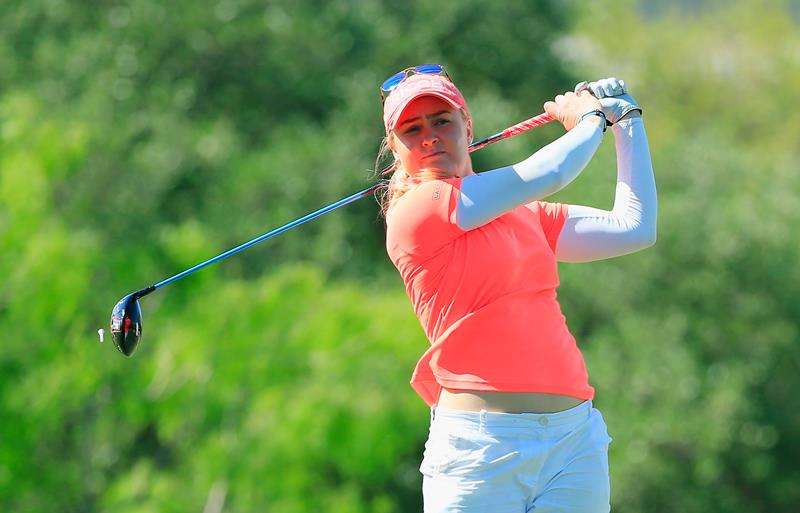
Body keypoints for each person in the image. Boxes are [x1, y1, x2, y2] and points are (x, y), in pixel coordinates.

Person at [376, 64, 657, 512]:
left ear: (467, 126)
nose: (429, 136)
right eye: (412, 129)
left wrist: (627, 121)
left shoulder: (526, 213)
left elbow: (634, 228)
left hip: (573, 439)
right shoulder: (417, 210)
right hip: (481, 449)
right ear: (396, 148)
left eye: (442, 121)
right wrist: (589, 119)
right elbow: (548, 172)